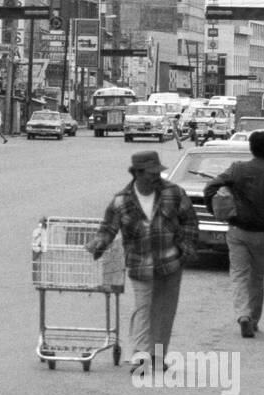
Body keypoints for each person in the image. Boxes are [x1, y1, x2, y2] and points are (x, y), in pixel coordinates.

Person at [85, 150, 200, 368]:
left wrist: (185, 249)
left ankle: (157, 357)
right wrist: (98, 244)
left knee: (165, 311)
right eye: (150, 173)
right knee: (143, 308)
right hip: (140, 263)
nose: (156, 176)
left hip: (170, 262)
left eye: (157, 171)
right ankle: (140, 356)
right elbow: (108, 229)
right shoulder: (121, 201)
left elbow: (190, 222)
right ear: (137, 173)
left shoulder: (174, 193)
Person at [201, 131, 264, 339]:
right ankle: (254, 319)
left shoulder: (237, 169)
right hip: (262, 233)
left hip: (238, 230)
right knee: (257, 277)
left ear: (251, 148)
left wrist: (215, 209)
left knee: (239, 274)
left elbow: (210, 187)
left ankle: (243, 315)